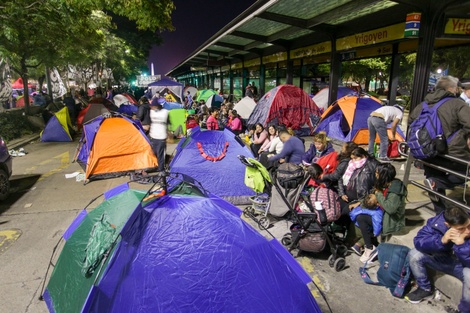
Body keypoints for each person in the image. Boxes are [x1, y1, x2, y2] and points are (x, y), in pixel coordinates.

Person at [409, 76, 470, 214]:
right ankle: (437, 184)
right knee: (463, 174)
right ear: (451, 89)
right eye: (457, 88)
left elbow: (411, 121)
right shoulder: (457, 104)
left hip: (427, 151)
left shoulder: (423, 104)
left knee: (433, 180)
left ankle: (440, 214)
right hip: (452, 153)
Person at [406, 206, 470, 313]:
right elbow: (419, 242)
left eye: (468, 225)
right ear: (448, 225)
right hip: (446, 260)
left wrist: (461, 245)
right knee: (414, 254)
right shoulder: (437, 223)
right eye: (461, 228)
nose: (467, 231)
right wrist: (441, 241)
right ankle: (425, 289)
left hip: (464, 266)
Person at [350, 163, 407, 262]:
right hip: (381, 211)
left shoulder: (395, 190)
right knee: (352, 210)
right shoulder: (385, 184)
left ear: (383, 175)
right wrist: (360, 203)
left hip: (391, 220)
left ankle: (369, 247)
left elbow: (390, 208)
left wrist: (379, 194)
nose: (376, 175)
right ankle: (360, 242)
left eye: (377, 173)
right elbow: (373, 197)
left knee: (361, 218)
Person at [337, 147, 378, 244]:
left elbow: (375, 186)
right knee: (337, 209)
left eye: (356, 158)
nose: (353, 160)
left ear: (363, 156)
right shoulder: (350, 165)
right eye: (352, 158)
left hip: (360, 198)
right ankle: (341, 232)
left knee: (346, 212)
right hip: (346, 196)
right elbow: (340, 179)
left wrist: (362, 201)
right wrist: (342, 193)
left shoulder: (371, 166)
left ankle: (350, 237)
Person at [349, 194, 383, 262]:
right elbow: (377, 227)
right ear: (377, 204)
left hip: (355, 227)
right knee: (368, 233)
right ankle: (366, 247)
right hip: (364, 230)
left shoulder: (359, 208)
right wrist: (375, 234)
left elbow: (352, 215)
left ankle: (354, 244)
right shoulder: (377, 213)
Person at [149, 98, 169, 172]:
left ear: (156, 106)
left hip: (161, 136)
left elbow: (168, 123)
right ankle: (155, 166)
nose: (151, 107)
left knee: (160, 154)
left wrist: (169, 134)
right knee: (154, 152)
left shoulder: (165, 112)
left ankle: (161, 169)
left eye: (152, 106)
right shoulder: (151, 112)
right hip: (153, 135)